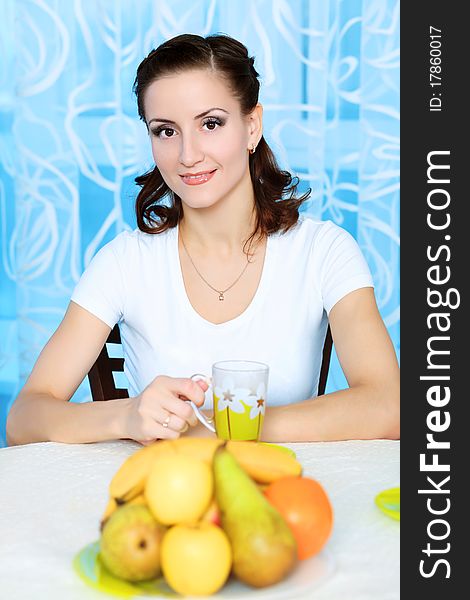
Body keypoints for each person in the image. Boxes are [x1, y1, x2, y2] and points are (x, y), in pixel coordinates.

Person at [6, 33, 399, 447]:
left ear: (252, 126)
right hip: (163, 497)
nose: (188, 155)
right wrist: (126, 415)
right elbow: (24, 419)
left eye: (210, 124)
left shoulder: (324, 251)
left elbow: (389, 407)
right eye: (165, 131)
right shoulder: (125, 261)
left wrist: (217, 426)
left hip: (283, 494)